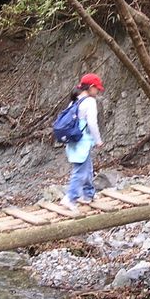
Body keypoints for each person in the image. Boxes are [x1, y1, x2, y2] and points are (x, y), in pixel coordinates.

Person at [60, 73, 104, 210]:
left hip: (74, 140)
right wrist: (98, 140)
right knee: (80, 171)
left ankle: (88, 194)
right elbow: (92, 123)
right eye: (97, 88)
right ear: (91, 87)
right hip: (82, 141)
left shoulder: (75, 100)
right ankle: (70, 198)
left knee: (88, 167)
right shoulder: (90, 102)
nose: (97, 91)